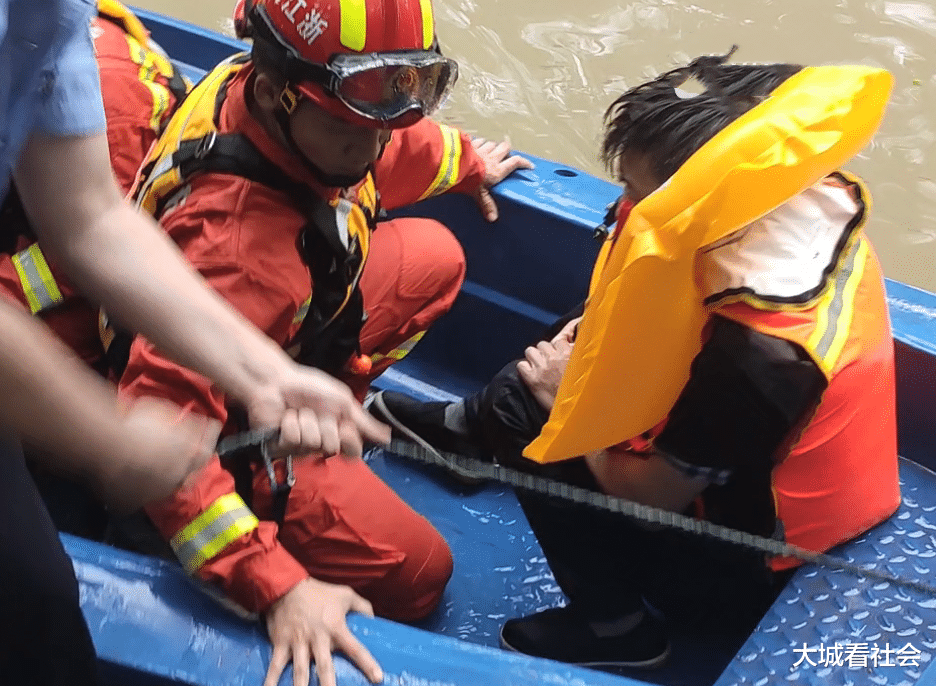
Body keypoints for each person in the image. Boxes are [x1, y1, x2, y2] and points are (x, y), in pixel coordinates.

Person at [372, 50, 900, 670]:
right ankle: (471, 435)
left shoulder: (764, 356)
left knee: (528, 408)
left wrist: (566, 396)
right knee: (577, 326)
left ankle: (616, 628)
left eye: (635, 192)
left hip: (747, 561)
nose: (624, 204)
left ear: (696, 197)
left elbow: (652, 497)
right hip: (731, 452)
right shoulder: (775, 196)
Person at [112, 2, 532, 686]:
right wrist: (273, 584)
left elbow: (393, 147)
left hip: (284, 340)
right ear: (283, 91)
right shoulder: (235, 251)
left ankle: (332, 432)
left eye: (392, 114)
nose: (370, 149)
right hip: (225, 425)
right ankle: (286, 484)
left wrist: (466, 162)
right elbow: (162, 437)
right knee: (421, 574)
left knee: (436, 258)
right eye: (351, 128)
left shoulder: (275, 96)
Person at [0, 0, 390, 684]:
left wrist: (266, 374)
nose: (377, 143)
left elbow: (88, 216)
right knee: (35, 611)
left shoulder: (48, 14)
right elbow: (164, 411)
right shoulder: (237, 243)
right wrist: (106, 438)